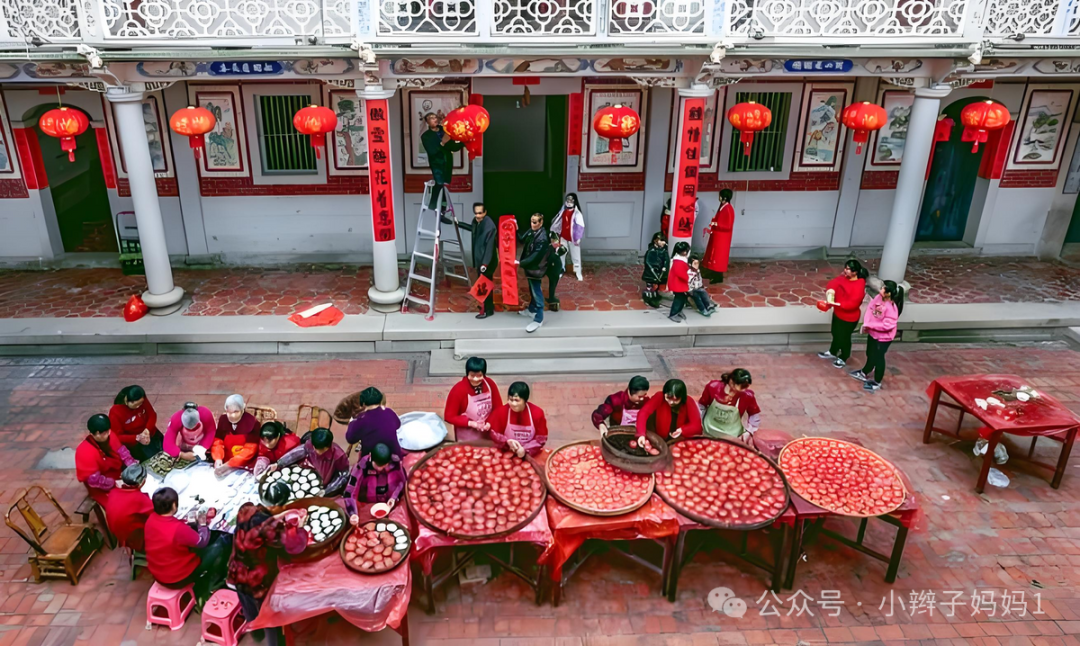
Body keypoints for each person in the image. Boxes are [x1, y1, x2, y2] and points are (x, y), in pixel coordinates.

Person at [227, 481, 308, 646]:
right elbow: (293, 544)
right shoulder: (270, 529)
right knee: (270, 619)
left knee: (249, 608)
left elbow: (263, 522)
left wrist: (280, 516)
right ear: (276, 505)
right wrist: (299, 527)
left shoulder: (245, 509)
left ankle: (256, 634)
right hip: (257, 582)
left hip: (236, 573)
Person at [145, 487, 232, 607]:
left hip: (158, 573)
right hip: (178, 578)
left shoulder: (151, 520)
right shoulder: (177, 529)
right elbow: (202, 542)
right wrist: (202, 524)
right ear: (174, 505)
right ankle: (210, 585)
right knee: (222, 542)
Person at [850, 279, 905, 392]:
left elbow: (887, 326)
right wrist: (867, 323)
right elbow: (871, 308)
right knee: (870, 353)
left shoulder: (891, 308)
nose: (881, 289)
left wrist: (871, 325)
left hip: (883, 338)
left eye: (883, 288)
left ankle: (877, 382)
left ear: (888, 293)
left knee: (879, 358)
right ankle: (865, 372)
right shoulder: (878, 298)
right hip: (873, 333)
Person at [817, 259, 870, 369]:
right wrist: (831, 292)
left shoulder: (859, 285)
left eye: (848, 269)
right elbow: (834, 283)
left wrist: (835, 304)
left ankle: (844, 357)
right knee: (835, 333)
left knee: (844, 338)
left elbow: (852, 304)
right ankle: (833, 351)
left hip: (848, 318)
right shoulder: (844, 277)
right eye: (845, 268)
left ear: (855, 272)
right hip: (838, 313)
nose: (845, 270)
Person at [76, 414, 137, 506]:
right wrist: (114, 483)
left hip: (117, 474)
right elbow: (94, 481)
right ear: (93, 434)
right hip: (100, 487)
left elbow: (122, 451)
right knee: (121, 504)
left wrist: (133, 466)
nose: (108, 434)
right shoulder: (84, 451)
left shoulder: (110, 434)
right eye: (103, 433)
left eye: (108, 431)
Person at [271, 428, 350, 495]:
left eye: (319, 449)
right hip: (307, 474)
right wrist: (279, 463)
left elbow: (343, 475)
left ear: (327, 447)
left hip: (323, 484)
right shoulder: (311, 444)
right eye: (314, 447)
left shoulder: (338, 456)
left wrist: (327, 490)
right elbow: (297, 452)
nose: (315, 450)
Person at [444, 356, 502, 443]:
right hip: (466, 435)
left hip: (487, 433)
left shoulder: (490, 384)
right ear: (467, 374)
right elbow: (449, 416)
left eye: (479, 376)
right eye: (472, 375)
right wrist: (471, 423)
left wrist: (489, 423)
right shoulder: (458, 389)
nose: (475, 379)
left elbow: (498, 409)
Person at [489, 382, 548, 457]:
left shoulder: (537, 413)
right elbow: (494, 434)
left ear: (525, 400)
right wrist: (506, 442)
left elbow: (541, 439)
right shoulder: (501, 412)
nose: (513, 404)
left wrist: (525, 449)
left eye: (517, 400)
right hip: (506, 453)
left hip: (530, 455)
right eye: (511, 400)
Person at [699, 369, 761, 440]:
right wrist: (699, 423)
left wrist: (749, 431)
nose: (743, 390)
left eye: (745, 387)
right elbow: (702, 406)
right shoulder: (713, 387)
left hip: (733, 435)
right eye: (742, 386)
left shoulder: (747, 396)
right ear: (731, 382)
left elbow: (754, 415)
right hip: (709, 430)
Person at [104, 464, 153, 552]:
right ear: (142, 482)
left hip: (119, 532)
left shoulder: (114, 492)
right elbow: (156, 511)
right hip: (133, 536)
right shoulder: (138, 498)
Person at [420, 112, 464, 210]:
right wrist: (442, 143)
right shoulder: (426, 136)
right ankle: (433, 205)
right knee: (439, 182)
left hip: (447, 162)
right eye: (431, 118)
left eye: (435, 117)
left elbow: (452, 146)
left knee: (444, 184)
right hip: (437, 163)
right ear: (427, 122)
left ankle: (442, 208)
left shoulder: (445, 131)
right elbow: (432, 151)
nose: (434, 119)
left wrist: (463, 142)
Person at [518, 213, 553, 334]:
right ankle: (531, 309)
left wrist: (520, 263)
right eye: (531, 221)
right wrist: (515, 228)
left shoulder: (542, 238)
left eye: (535, 222)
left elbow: (535, 256)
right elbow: (522, 239)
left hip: (536, 268)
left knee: (536, 291)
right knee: (532, 288)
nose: (532, 224)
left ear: (541, 223)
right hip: (530, 267)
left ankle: (539, 318)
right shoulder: (531, 232)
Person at [108, 385, 162, 462]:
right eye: (135, 405)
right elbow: (117, 436)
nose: (138, 407)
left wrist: (147, 430)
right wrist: (136, 438)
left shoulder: (141, 399)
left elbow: (152, 414)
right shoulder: (115, 412)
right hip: (135, 444)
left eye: (140, 404)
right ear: (127, 401)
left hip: (150, 434)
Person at [635, 379, 702, 441]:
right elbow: (643, 412)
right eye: (668, 398)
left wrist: (682, 430)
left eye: (676, 400)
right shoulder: (659, 396)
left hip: (678, 437)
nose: (671, 402)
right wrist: (641, 434)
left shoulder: (688, 402)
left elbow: (697, 426)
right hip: (659, 434)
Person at [345, 387, 403, 458]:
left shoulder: (360, 419)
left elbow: (350, 439)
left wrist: (351, 422)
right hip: (395, 456)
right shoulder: (389, 412)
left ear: (363, 403)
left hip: (372, 460)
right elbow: (398, 424)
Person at [212, 394, 260, 471]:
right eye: (229, 412)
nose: (232, 415)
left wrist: (231, 463)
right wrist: (218, 458)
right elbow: (218, 441)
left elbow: (250, 449)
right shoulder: (223, 420)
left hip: (245, 465)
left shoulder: (252, 423)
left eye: (236, 412)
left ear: (242, 410)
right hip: (225, 463)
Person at [470, 202, 498, 319]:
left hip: (487, 261)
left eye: (480, 213)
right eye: (476, 213)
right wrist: (458, 223)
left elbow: (489, 246)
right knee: (483, 284)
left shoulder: (489, 226)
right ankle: (486, 306)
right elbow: (473, 229)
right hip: (480, 259)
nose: (478, 215)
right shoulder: (477, 222)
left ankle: (488, 310)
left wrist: (485, 263)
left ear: (485, 212)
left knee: (485, 285)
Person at [702, 188, 735, 283]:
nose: (719, 197)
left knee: (718, 257)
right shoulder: (723, 207)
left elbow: (728, 226)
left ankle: (717, 277)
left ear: (724, 197)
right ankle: (712, 273)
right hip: (718, 236)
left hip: (722, 238)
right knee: (713, 255)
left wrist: (716, 224)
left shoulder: (728, 208)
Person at [550, 192, 585, 281]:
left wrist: (578, 237)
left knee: (576, 257)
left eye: (571, 200)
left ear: (574, 201)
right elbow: (557, 222)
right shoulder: (563, 211)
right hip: (563, 237)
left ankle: (578, 272)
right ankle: (561, 269)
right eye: (567, 200)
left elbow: (580, 226)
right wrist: (554, 231)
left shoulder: (577, 214)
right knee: (561, 254)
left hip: (573, 239)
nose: (569, 202)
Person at [642, 232, 669, 308]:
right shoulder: (651, 251)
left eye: (664, 241)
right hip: (651, 273)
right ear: (655, 241)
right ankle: (648, 298)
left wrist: (664, 267)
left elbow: (666, 260)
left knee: (657, 285)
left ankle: (655, 296)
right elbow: (647, 261)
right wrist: (652, 269)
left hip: (659, 271)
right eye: (661, 240)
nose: (664, 243)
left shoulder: (664, 251)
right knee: (650, 286)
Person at [667, 241, 691, 323]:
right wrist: (689, 278)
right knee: (679, 299)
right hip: (678, 284)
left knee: (682, 298)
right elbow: (681, 274)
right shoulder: (679, 262)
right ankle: (673, 314)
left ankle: (678, 311)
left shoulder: (679, 260)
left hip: (679, 283)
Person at [545, 232, 568, 311]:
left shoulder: (560, 248)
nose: (555, 243)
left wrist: (558, 251)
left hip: (557, 269)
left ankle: (551, 296)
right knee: (552, 284)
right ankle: (551, 297)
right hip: (551, 270)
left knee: (554, 284)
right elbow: (549, 258)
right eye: (553, 241)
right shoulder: (549, 248)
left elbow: (564, 250)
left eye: (556, 241)